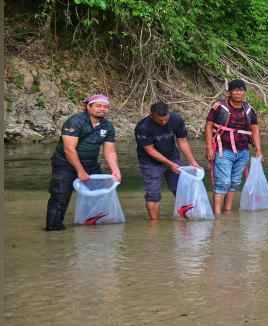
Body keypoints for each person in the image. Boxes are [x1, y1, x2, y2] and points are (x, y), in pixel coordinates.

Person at [45, 94, 122, 231]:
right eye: (98, 106)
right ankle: (53, 231)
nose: (102, 109)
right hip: (65, 164)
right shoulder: (75, 122)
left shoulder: (107, 126)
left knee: (99, 194)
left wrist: (115, 170)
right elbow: (69, 150)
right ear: (88, 106)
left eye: (105, 107)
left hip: (90, 163)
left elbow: (109, 151)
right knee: (60, 195)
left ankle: (92, 226)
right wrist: (80, 171)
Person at [205, 79, 262, 216]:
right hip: (223, 149)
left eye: (241, 90)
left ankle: (228, 211)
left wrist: (259, 149)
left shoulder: (249, 110)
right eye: (235, 90)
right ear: (229, 92)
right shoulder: (219, 107)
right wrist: (209, 148)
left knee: (235, 182)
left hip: (242, 151)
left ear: (245, 92)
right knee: (223, 182)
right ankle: (217, 214)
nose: (238, 93)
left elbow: (255, 129)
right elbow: (208, 126)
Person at [135, 102, 200, 220]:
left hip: (172, 156)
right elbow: (150, 150)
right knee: (153, 194)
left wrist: (192, 161)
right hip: (150, 162)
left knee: (180, 189)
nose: (164, 123)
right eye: (160, 120)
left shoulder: (176, 119)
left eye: (166, 119)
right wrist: (170, 164)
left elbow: (182, 141)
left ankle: (186, 219)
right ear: (151, 115)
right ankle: (155, 225)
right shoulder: (143, 127)